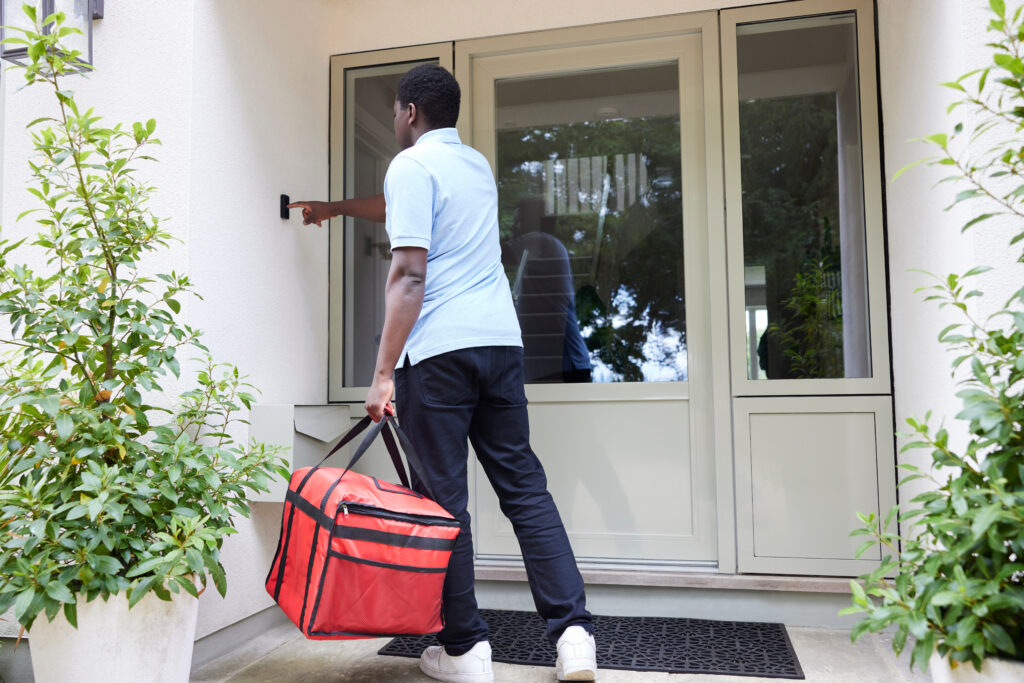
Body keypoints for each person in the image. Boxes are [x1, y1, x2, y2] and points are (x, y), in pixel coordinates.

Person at [288, 64, 597, 683]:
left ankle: (466, 650)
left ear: (408, 113)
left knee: (444, 504)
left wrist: (381, 374)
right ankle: (574, 638)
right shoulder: (474, 166)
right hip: (500, 348)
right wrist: (337, 208)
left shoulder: (408, 165)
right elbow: (398, 207)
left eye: (394, 112)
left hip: (439, 357)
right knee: (525, 490)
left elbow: (409, 273)